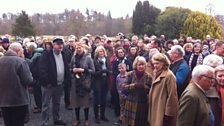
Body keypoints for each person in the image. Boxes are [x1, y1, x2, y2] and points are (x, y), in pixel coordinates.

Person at [39, 38, 71, 126]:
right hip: (48, 85)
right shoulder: (46, 54)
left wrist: (67, 80)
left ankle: (56, 119)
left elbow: (66, 68)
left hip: (60, 84)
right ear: (53, 45)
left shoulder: (64, 54)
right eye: (58, 44)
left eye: (61, 44)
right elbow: (42, 69)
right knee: (46, 105)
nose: (60, 46)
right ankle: (45, 122)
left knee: (57, 103)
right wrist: (47, 82)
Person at [0, 42, 33, 126]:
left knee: (8, 123)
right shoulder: (20, 62)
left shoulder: (1, 60)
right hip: (18, 100)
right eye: (22, 52)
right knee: (18, 123)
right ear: (18, 51)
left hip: (3, 100)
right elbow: (28, 80)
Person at [148, 53, 178, 126]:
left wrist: (168, 113)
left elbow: (172, 96)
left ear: (163, 63)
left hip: (162, 108)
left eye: (157, 63)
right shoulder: (156, 72)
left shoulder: (169, 76)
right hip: (156, 107)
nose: (155, 66)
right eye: (154, 63)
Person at [122, 56, 152, 126]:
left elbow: (150, 90)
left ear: (145, 65)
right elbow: (123, 88)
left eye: (143, 64)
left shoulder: (149, 77)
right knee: (129, 123)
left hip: (142, 104)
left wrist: (144, 87)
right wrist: (134, 85)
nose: (141, 66)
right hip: (130, 103)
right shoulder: (130, 74)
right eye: (139, 64)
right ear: (136, 65)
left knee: (140, 123)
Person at [70, 42, 95, 126]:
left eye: (80, 47)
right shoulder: (73, 57)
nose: (78, 49)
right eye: (77, 48)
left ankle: (86, 119)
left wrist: (83, 70)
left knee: (85, 103)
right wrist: (72, 70)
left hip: (85, 83)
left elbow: (93, 70)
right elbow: (70, 68)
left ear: (83, 48)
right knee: (76, 102)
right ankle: (77, 119)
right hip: (75, 83)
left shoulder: (88, 58)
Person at [92, 46, 111, 124]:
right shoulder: (94, 61)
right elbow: (93, 73)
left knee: (103, 100)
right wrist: (102, 71)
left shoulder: (107, 60)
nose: (101, 53)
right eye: (99, 52)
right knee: (96, 100)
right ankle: (96, 117)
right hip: (97, 82)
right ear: (97, 53)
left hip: (105, 81)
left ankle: (102, 115)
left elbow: (110, 70)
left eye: (102, 51)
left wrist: (107, 71)